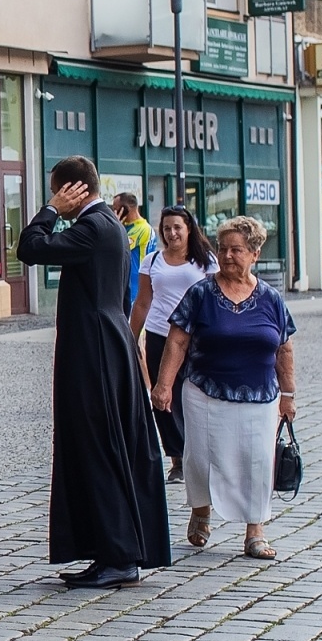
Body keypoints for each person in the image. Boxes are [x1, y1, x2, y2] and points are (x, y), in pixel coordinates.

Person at [16, 157, 169, 589]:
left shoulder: (94, 226)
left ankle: (118, 555)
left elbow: (30, 248)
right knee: (99, 446)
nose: (55, 199)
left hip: (95, 349)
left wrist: (49, 211)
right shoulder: (108, 226)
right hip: (106, 342)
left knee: (99, 447)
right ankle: (110, 550)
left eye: (57, 190)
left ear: (74, 189)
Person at [150, 216, 296, 559]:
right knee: (200, 459)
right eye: (223, 249)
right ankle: (201, 509)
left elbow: (284, 347)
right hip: (204, 392)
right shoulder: (200, 292)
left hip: (259, 397)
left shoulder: (271, 299)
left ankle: (255, 531)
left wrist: (288, 396)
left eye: (237, 250)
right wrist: (163, 385)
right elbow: (177, 341)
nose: (228, 256)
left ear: (255, 254)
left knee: (258, 461)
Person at [129, 205, 218, 484]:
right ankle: (177, 459)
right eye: (167, 228)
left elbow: (215, 300)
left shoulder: (205, 261)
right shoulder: (153, 261)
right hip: (159, 334)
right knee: (162, 397)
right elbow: (143, 302)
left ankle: (200, 453)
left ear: (188, 228)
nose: (172, 233)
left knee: (193, 394)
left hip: (195, 337)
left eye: (177, 227)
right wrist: (131, 338)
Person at [113, 192, 155, 315]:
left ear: (126, 209)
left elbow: (116, 245)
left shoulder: (142, 229)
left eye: (116, 209)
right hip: (123, 283)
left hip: (135, 285)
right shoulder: (124, 226)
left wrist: (114, 225)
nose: (114, 213)